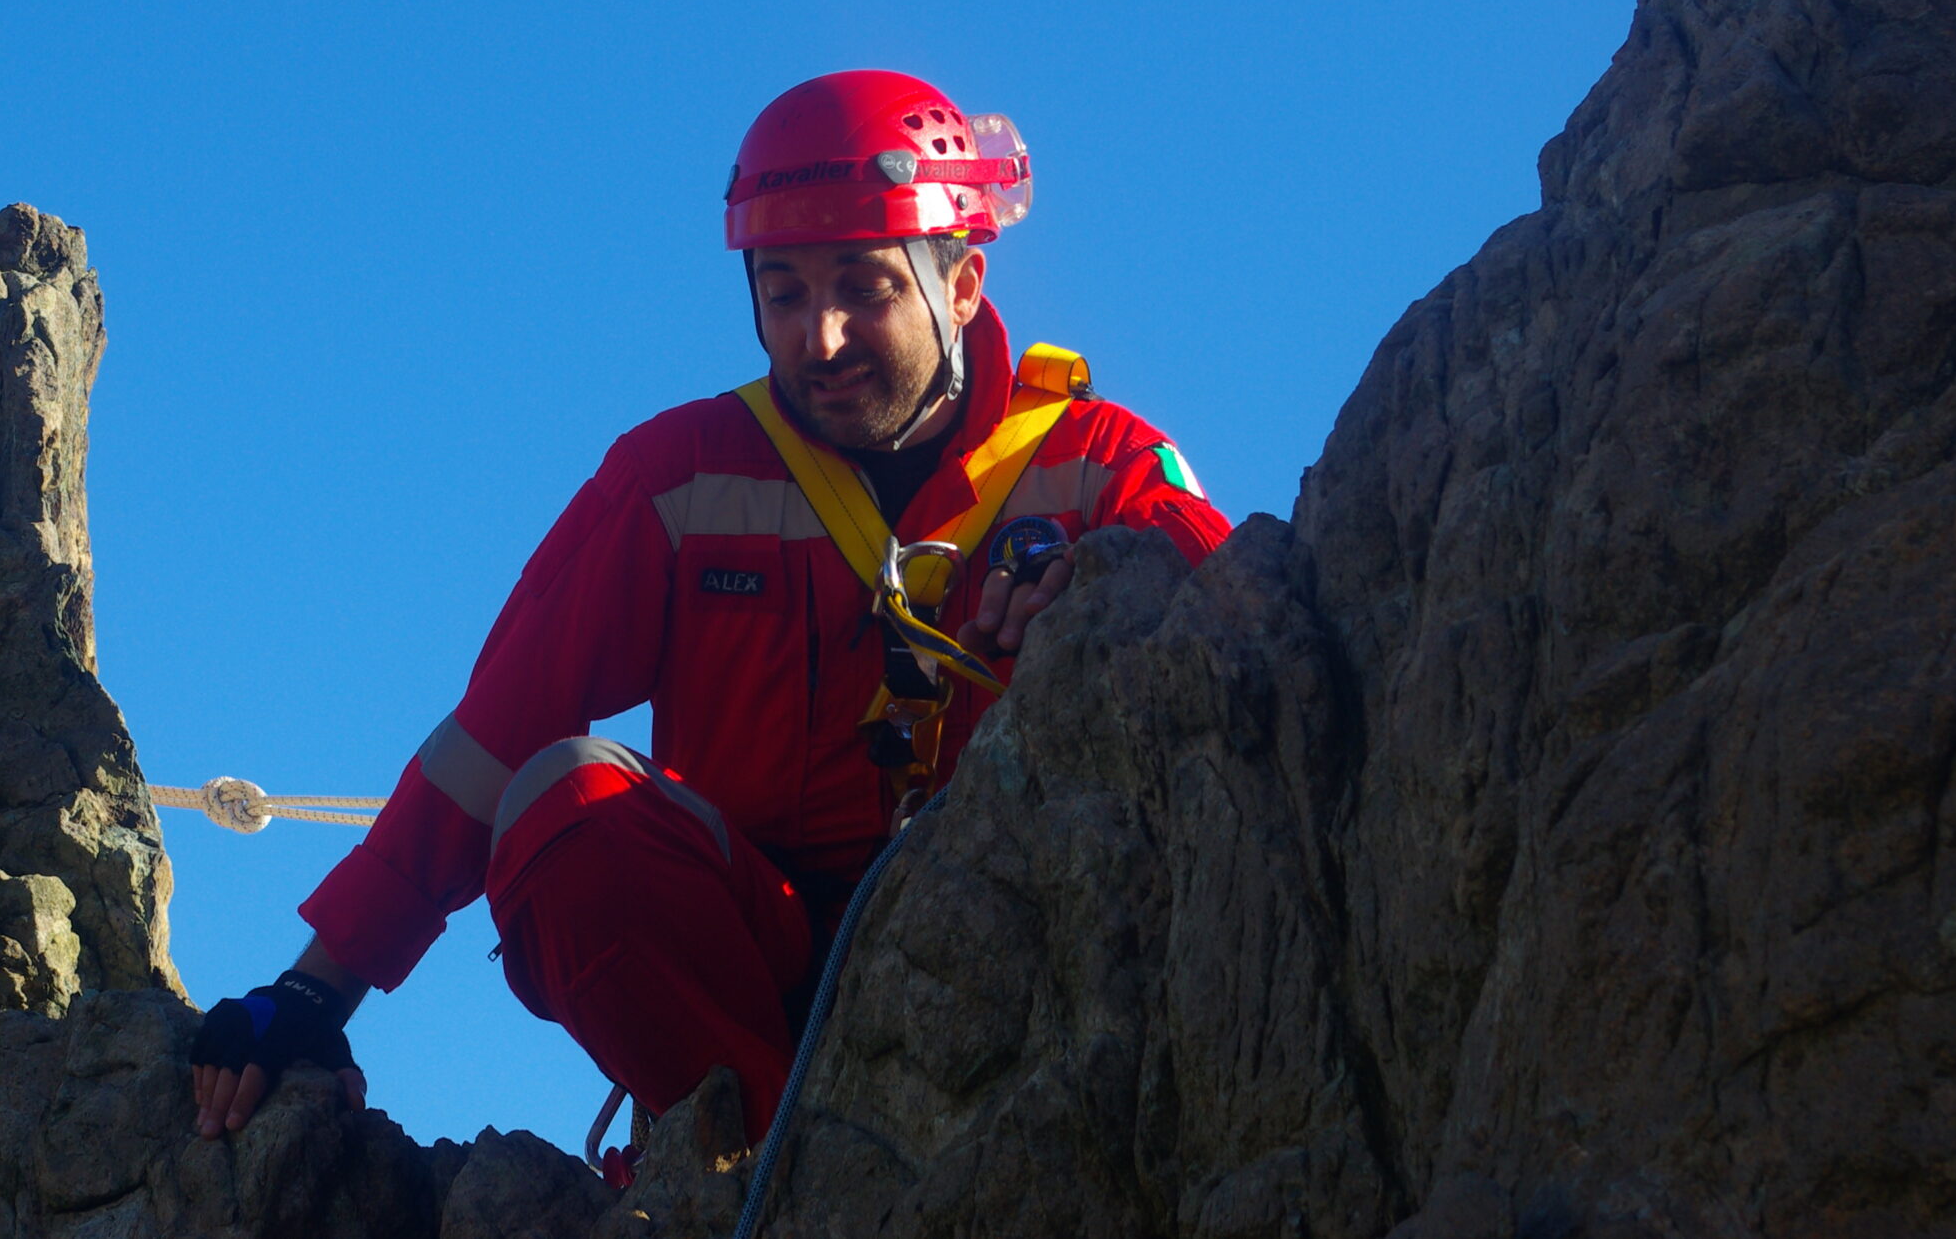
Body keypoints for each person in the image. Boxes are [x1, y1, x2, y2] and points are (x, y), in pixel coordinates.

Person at [188, 70, 1232, 1167]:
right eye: (782, 293)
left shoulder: (1095, 462)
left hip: (1021, 942)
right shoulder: (675, 478)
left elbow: (1243, 597)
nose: (819, 338)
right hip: (755, 962)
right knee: (561, 802)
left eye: (864, 288)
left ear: (962, 283)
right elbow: (493, 738)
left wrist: (1114, 580)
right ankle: (778, 1175)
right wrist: (313, 991)